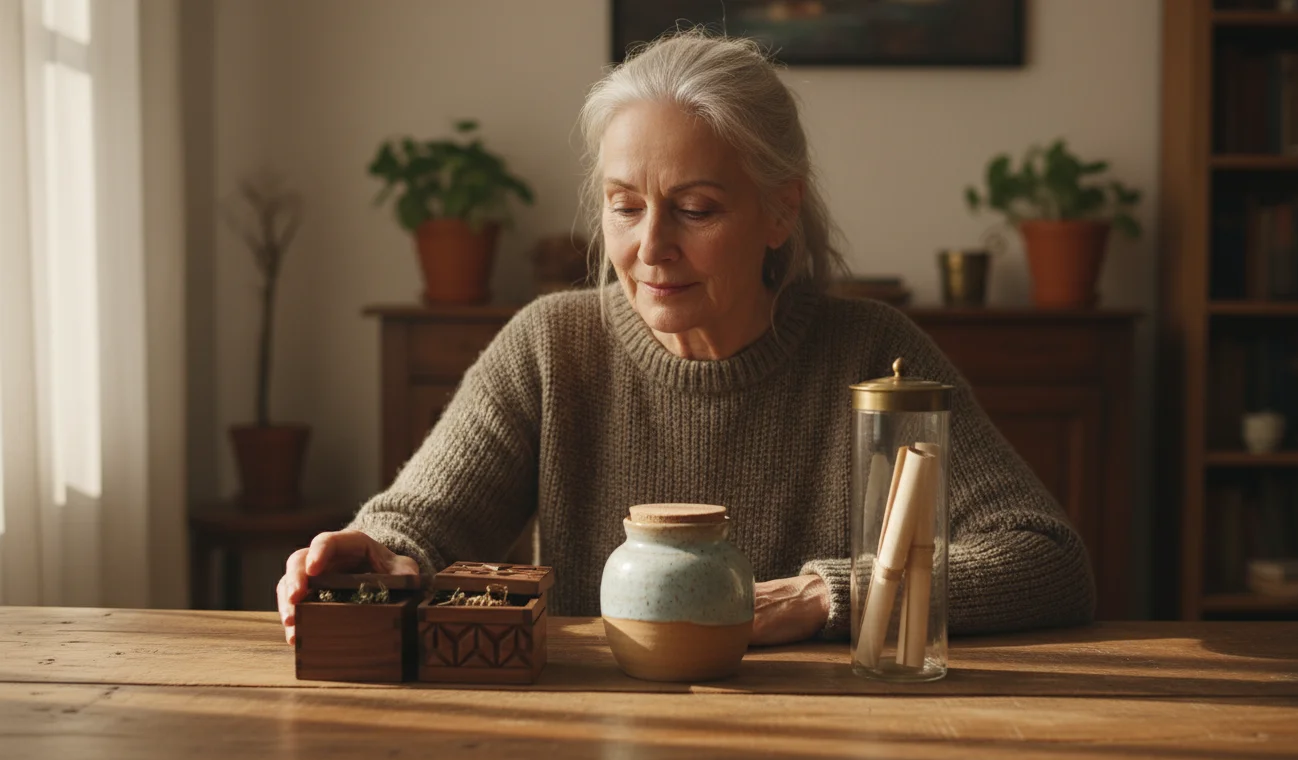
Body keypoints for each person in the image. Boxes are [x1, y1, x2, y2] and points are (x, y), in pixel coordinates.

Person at [276, 30, 1095, 647]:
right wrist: (375, 556)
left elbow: (1047, 559)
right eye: (625, 205)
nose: (650, 246)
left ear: (780, 210)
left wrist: (824, 596)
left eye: (696, 209)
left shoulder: (873, 352)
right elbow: (421, 524)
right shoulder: (551, 346)